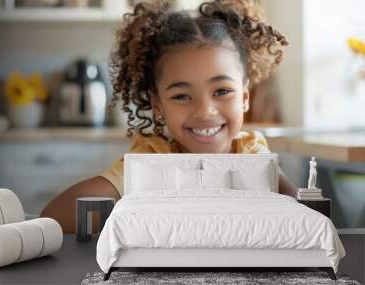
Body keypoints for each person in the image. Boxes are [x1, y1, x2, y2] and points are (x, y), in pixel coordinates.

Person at [41, 0, 298, 233]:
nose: (204, 111)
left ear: (244, 98)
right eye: (182, 96)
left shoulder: (251, 152)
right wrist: (130, 214)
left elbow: (301, 215)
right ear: (158, 106)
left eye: (221, 91)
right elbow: (55, 216)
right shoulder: (152, 157)